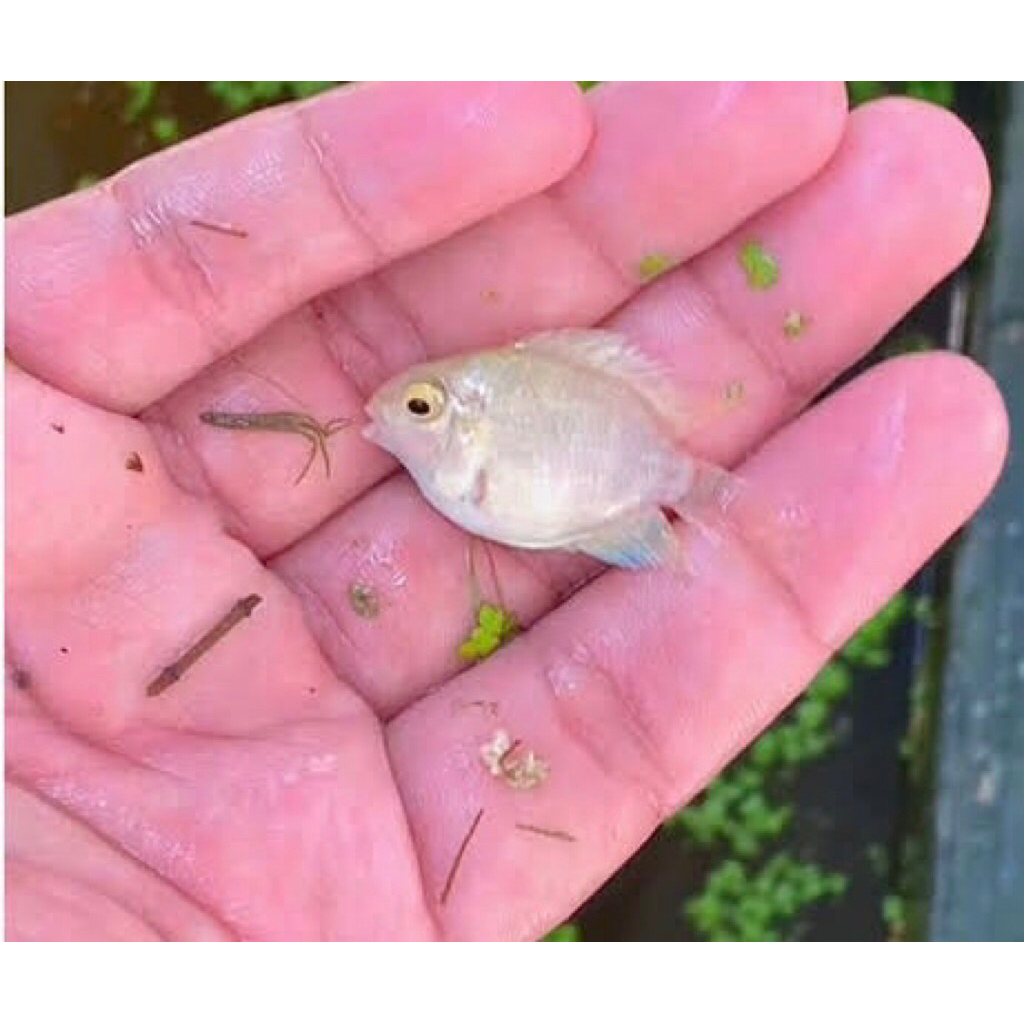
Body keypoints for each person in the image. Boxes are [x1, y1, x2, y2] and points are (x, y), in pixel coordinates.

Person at [4, 81, 1007, 941]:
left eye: (421, 408)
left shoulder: (474, 458)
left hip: (609, 475)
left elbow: (512, 491)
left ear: (457, 416)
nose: (398, 415)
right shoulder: (448, 459)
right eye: (416, 406)